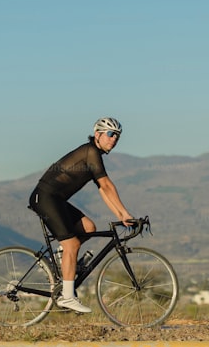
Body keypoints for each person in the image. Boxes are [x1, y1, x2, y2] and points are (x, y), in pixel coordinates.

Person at [29, 117, 134, 313]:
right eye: (110, 134)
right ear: (98, 135)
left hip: (56, 200)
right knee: (73, 244)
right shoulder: (90, 151)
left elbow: (103, 191)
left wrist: (121, 215)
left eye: (117, 136)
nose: (114, 139)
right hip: (44, 197)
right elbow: (107, 185)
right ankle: (67, 297)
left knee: (89, 228)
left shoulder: (94, 155)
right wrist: (125, 213)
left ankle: (61, 261)